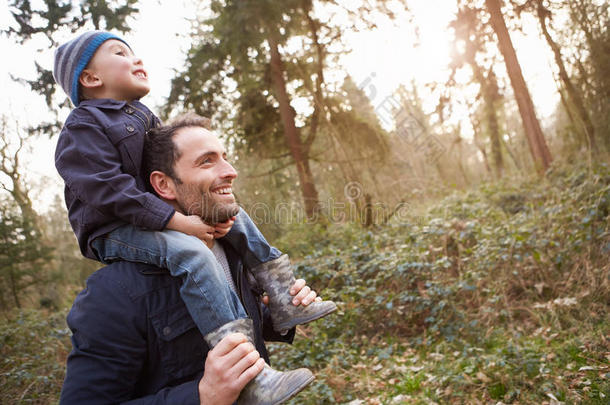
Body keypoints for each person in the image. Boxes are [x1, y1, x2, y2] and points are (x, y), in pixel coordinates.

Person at [52, 31, 337, 402]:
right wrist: (202, 396)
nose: (230, 171)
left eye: (224, 156)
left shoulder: (142, 118)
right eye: (206, 161)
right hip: (112, 228)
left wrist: (270, 308)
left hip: (156, 219)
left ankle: (280, 290)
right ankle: (254, 380)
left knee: (238, 217)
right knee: (191, 254)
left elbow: (211, 310)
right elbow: (105, 189)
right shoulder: (113, 296)